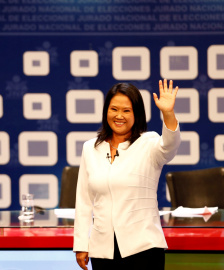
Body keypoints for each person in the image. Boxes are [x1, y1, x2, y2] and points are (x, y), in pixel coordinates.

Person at [73, 80, 180, 270]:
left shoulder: (149, 143)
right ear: (106, 111)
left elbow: (170, 146)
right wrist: (81, 244)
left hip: (143, 248)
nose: (119, 116)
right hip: (102, 250)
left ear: (136, 114)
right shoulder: (90, 148)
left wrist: (168, 113)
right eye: (114, 109)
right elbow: (84, 200)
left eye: (126, 110)